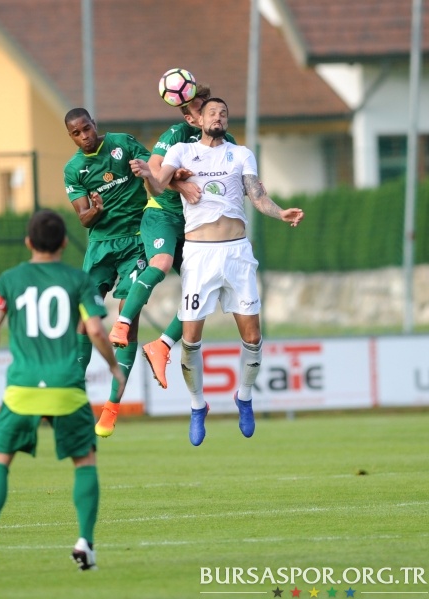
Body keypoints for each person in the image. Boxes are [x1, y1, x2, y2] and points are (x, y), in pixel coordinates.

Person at [130, 98, 304, 446]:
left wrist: (280, 212)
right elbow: (160, 185)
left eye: (223, 113)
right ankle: (198, 406)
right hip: (199, 256)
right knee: (191, 339)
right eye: (212, 112)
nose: (218, 117)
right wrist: (149, 173)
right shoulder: (182, 150)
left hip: (237, 253)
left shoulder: (240, 154)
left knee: (252, 337)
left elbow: (257, 195)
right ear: (199, 120)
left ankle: (244, 397)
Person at [0, 209, 125, 574]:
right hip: (65, 387)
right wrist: (114, 367)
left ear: (28, 242)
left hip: (22, 388)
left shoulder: (9, 279)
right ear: (63, 243)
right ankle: (85, 542)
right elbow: (96, 330)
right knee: (84, 461)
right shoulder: (78, 280)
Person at [109, 85, 237, 391]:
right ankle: (122, 323)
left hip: (196, 226)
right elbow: (155, 174)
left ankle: (162, 345)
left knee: (206, 290)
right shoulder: (177, 135)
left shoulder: (228, 144)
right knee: (162, 262)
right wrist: (178, 183)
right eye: (201, 109)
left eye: (211, 106)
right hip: (163, 215)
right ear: (191, 119)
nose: (209, 113)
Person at [63, 108, 150, 437]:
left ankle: (111, 408)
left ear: (94, 125)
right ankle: (74, 395)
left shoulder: (122, 143)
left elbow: (155, 169)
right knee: (84, 319)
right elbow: (83, 217)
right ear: (71, 137)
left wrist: (145, 169)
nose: (84, 136)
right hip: (101, 246)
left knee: (128, 320)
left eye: (86, 128)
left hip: (136, 241)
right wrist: (95, 210)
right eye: (76, 133)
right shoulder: (74, 169)